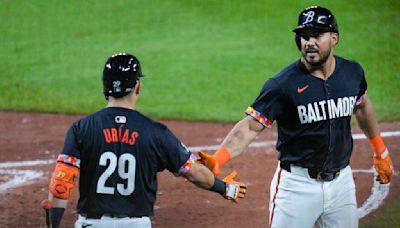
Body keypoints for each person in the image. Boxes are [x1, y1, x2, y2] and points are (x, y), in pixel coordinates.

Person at [197, 6, 394, 228]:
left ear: (334, 38)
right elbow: (251, 127)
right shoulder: (283, 84)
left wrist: (380, 151)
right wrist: (219, 158)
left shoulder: (352, 73)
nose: (309, 42)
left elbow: (362, 105)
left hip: (342, 185)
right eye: (304, 36)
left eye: (317, 35)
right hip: (297, 188)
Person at [44, 53, 246, 228]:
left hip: (92, 223)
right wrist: (225, 188)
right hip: (136, 224)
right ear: (137, 87)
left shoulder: (81, 128)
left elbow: (61, 186)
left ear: (105, 86)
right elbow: (194, 173)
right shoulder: (155, 132)